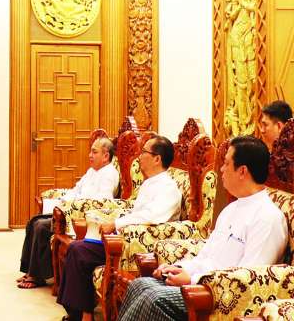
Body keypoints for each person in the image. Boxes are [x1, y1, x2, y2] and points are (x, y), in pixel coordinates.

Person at [117, 136, 287, 321]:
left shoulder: (267, 217)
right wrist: (179, 268)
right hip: (202, 283)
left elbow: (249, 278)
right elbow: (206, 256)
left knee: (155, 299)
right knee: (140, 285)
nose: (221, 169)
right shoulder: (231, 209)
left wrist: (193, 280)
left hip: (218, 296)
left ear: (242, 171)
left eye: (226, 164)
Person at [57, 135, 182, 321]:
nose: (139, 156)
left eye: (144, 152)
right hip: (123, 238)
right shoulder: (149, 183)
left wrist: (116, 224)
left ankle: (83, 316)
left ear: (157, 159)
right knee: (77, 248)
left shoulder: (168, 187)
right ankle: (81, 314)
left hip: (137, 246)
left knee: (79, 250)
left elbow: (151, 216)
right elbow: (135, 211)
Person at [18, 137, 119, 289]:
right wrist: (63, 201)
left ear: (105, 156)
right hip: (70, 209)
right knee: (34, 221)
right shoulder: (92, 171)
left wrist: (74, 204)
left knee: (41, 226)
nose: (90, 155)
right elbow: (76, 189)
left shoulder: (109, 174)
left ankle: (38, 276)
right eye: (90, 152)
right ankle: (29, 270)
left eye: (94, 152)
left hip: (81, 216)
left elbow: (103, 201)